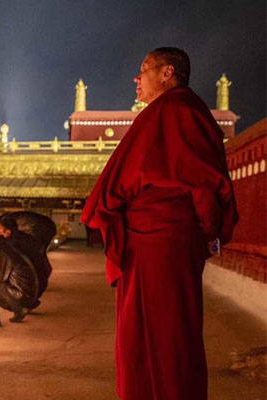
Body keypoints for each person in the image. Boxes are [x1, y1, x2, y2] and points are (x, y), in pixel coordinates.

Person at [81, 47, 238, 400]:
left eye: (144, 70)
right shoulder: (167, 112)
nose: (137, 78)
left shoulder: (178, 110)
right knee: (145, 332)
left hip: (162, 241)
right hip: (152, 241)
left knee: (168, 333)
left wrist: (206, 230)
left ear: (167, 73)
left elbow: (201, 180)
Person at [0, 212, 55, 299]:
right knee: (40, 254)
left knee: (34, 254)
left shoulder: (12, 227)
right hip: (49, 226)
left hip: (42, 229)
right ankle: (42, 278)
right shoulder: (13, 221)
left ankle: (38, 281)